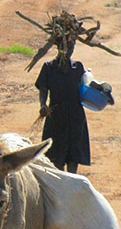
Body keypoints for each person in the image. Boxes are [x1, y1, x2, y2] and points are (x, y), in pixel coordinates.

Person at [35, 39, 90, 174]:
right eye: (66, 47)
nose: (69, 50)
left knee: (74, 154)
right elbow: (43, 89)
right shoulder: (49, 67)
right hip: (56, 116)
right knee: (56, 157)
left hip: (76, 117)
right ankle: (63, 181)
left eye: (72, 47)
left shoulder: (78, 67)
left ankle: (71, 181)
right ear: (58, 47)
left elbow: (86, 87)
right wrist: (43, 105)